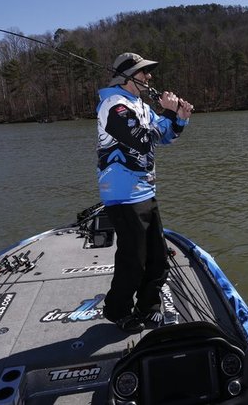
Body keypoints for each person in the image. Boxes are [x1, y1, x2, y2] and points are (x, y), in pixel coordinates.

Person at [96, 52, 193, 333]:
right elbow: (139, 141)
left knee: (158, 257)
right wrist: (167, 112)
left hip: (145, 192)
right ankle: (117, 311)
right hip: (122, 195)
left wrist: (179, 119)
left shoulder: (139, 104)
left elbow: (163, 136)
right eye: (143, 72)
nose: (149, 77)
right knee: (133, 260)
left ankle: (148, 307)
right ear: (127, 76)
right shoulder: (113, 105)